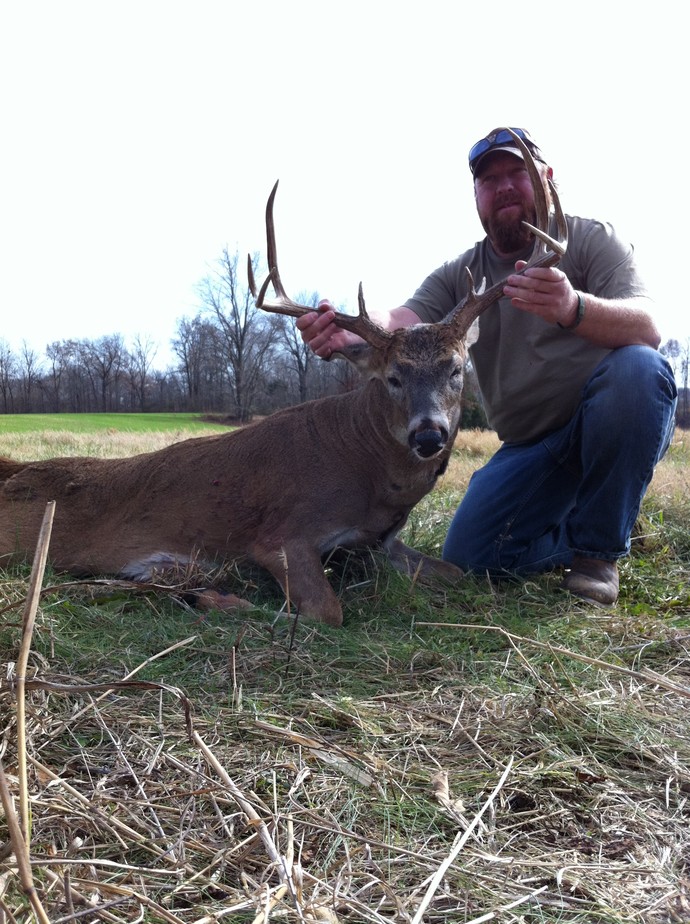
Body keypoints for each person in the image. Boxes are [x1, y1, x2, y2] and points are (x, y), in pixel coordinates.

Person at [296, 127, 678, 606]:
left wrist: (573, 307)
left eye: (517, 171)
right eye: (488, 178)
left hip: (606, 428)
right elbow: (401, 320)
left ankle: (597, 557)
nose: (503, 187)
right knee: (473, 558)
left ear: (546, 178)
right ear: (476, 195)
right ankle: (595, 522)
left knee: (639, 372)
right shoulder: (462, 274)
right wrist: (351, 331)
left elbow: (648, 326)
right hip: (531, 449)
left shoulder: (589, 241)